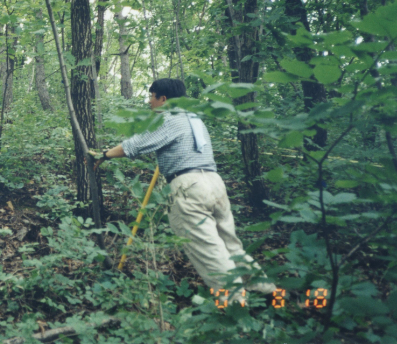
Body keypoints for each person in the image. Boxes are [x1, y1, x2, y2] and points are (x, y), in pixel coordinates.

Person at [91, 78, 276, 301]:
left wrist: (104, 155)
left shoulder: (168, 118)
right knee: (231, 245)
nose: (149, 102)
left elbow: (135, 145)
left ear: (163, 99)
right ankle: (267, 294)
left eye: (152, 96)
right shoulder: (194, 119)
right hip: (214, 183)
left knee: (210, 252)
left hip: (189, 187)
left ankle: (235, 308)